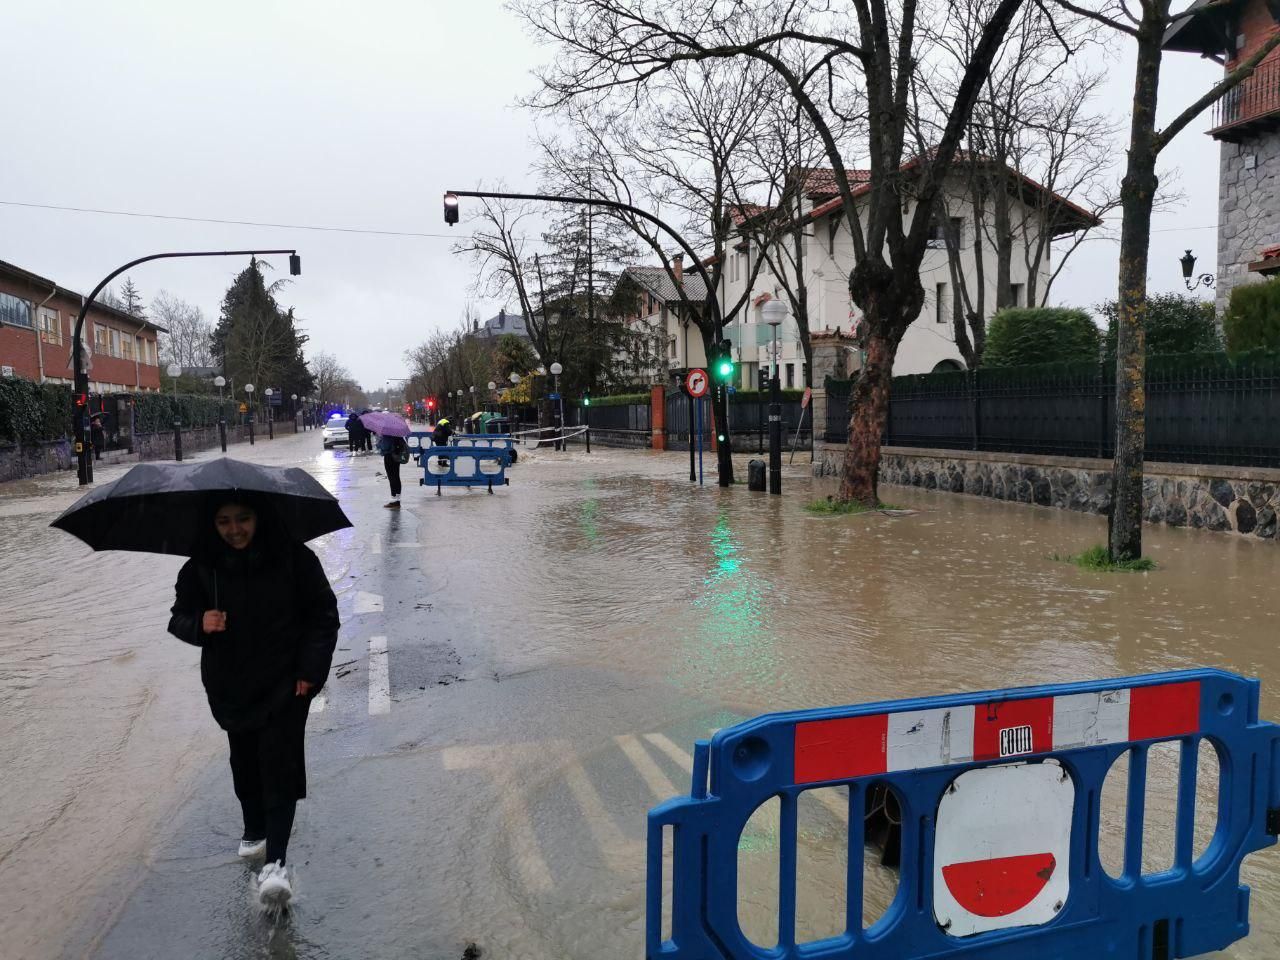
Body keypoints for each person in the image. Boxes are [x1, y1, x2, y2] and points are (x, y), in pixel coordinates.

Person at [167, 496, 339, 908]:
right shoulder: (200, 567)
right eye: (224, 521)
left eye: (243, 519)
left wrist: (310, 673)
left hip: (285, 684)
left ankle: (276, 865)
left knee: (279, 767)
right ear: (213, 525)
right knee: (244, 762)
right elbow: (177, 617)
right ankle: (254, 828)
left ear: (260, 517)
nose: (235, 530)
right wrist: (200, 624)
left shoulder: (295, 560)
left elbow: (323, 616)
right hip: (230, 686)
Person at [377, 432, 409, 508]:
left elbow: (385, 447)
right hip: (396, 456)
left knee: (392, 478)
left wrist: (379, 443)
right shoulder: (397, 433)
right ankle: (397, 499)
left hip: (389, 456)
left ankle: (394, 500)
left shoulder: (387, 434)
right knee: (396, 477)